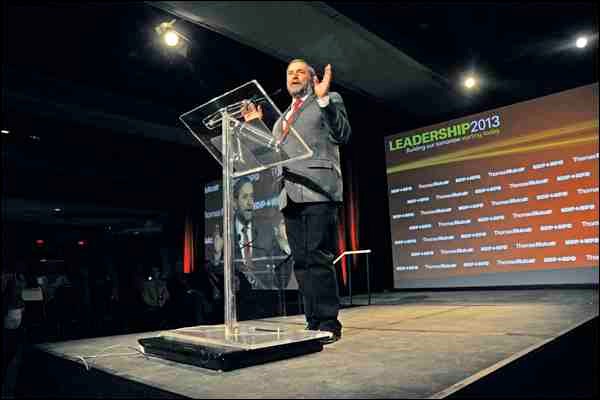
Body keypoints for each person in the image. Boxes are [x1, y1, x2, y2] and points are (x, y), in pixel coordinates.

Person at [242, 59, 351, 343]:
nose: (294, 76)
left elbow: (342, 133)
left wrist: (324, 98)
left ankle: (329, 322)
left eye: (300, 71)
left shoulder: (327, 100)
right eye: (290, 73)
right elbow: (271, 155)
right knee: (301, 263)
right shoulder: (280, 120)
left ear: (312, 78)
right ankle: (313, 321)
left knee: (318, 257)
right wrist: (256, 126)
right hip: (288, 194)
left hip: (318, 190)